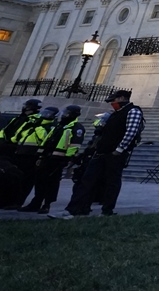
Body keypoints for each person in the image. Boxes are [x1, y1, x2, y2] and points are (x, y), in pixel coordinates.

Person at [54, 89, 144, 219]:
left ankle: (107, 210)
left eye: (114, 100)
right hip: (101, 152)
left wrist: (119, 149)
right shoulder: (115, 114)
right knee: (87, 180)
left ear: (122, 98)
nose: (112, 103)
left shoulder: (133, 111)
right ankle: (73, 209)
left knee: (111, 182)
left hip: (115, 154)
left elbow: (131, 131)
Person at [22, 105, 84, 214]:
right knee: (40, 180)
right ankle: (36, 202)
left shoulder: (76, 127)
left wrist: (67, 159)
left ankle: (47, 204)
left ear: (73, 114)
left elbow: (74, 145)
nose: (64, 115)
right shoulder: (59, 125)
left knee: (52, 183)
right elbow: (47, 140)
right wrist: (40, 155)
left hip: (58, 159)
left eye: (67, 113)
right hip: (47, 157)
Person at [12, 105, 59, 206]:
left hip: (33, 155)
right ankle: (11, 199)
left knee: (27, 180)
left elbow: (45, 138)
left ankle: (18, 201)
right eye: (45, 112)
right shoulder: (34, 123)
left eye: (49, 114)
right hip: (21, 152)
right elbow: (19, 136)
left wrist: (38, 127)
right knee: (16, 178)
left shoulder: (50, 126)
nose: (45, 115)